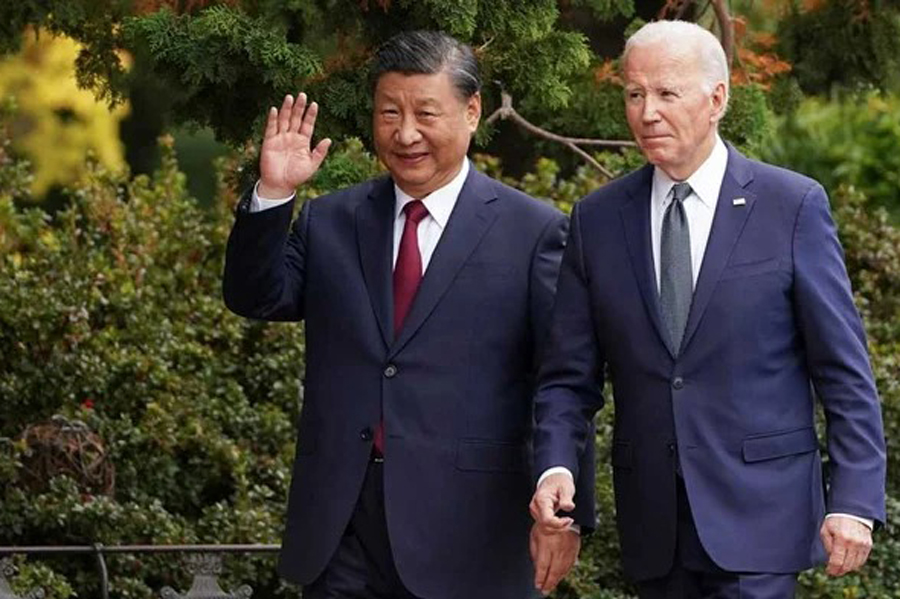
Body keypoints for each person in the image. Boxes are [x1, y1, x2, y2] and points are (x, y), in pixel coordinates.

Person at [223, 30, 594, 599]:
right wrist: (272, 193)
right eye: (388, 113)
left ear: (472, 112)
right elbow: (255, 295)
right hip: (342, 526)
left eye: (425, 113)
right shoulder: (332, 222)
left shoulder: (534, 232)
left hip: (471, 533)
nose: (405, 133)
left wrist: (564, 502)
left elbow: (564, 379)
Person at [530, 20, 886, 599]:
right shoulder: (597, 220)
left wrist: (854, 498)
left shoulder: (791, 206)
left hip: (762, 522)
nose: (646, 113)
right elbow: (567, 379)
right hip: (655, 531)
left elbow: (843, 370)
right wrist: (555, 468)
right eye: (634, 94)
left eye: (666, 93)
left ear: (717, 98)